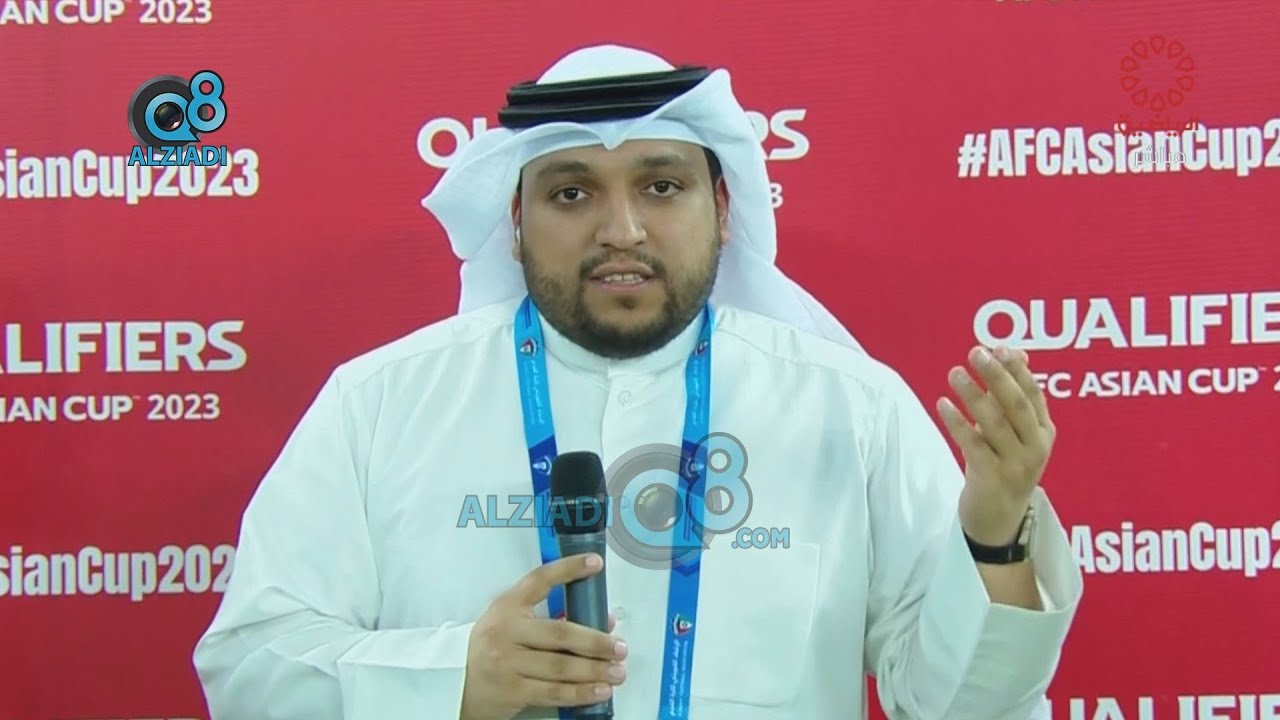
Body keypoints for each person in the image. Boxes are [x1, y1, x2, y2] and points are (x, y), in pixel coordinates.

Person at [192, 44, 1082, 720]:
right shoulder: (379, 406)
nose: (621, 229)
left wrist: (994, 534)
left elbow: (960, 706)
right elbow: (249, 668)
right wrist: (453, 677)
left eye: (660, 186)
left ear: (722, 211)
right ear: (514, 223)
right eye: (571, 194)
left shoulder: (849, 408)